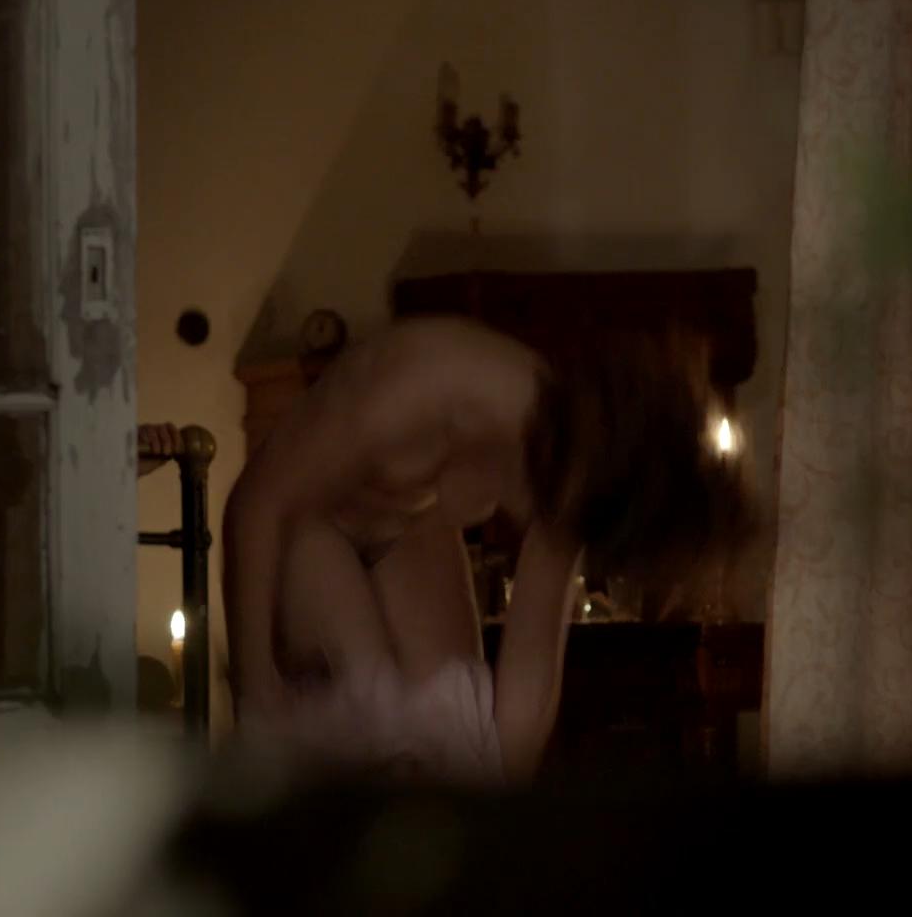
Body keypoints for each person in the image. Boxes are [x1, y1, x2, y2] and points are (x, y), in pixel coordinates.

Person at [215, 315, 755, 783]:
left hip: (397, 531)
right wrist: (254, 694)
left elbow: (528, 681)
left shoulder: (579, 465)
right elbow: (255, 505)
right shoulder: (418, 387)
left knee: (463, 747)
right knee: (381, 714)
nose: (565, 536)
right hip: (304, 528)